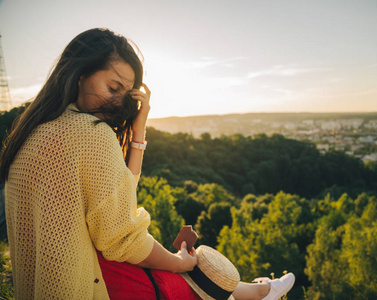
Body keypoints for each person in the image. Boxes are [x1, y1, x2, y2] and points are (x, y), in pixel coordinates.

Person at [0, 28, 294, 299]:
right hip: (81, 286)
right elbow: (123, 239)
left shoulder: (32, 129)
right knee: (187, 282)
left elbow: (117, 197)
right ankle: (259, 293)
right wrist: (178, 262)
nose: (118, 102)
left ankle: (258, 292)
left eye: (125, 95)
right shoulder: (90, 133)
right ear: (80, 75)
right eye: (112, 88)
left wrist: (138, 133)